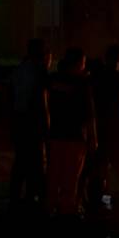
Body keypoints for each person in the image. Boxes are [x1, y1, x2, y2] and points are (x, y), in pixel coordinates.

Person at [45, 48, 97, 218]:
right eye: (82, 63)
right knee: (71, 175)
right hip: (75, 136)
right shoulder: (82, 83)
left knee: (54, 173)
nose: (84, 66)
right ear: (77, 64)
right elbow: (89, 114)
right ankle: (67, 210)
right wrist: (93, 138)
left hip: (55, 134)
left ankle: (50, 206)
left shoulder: (53, 80)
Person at [9, 39, 51, 209]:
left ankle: (15, 195)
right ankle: (33, 196)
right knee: (36, 161)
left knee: (20, 159)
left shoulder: (19, 70)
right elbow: (43, 100)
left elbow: (11, 95)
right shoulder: (40, 71)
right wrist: (47, 122)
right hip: (34, 120)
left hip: (19, 119)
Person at [88, 45, 119, 214]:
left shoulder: (96, 77)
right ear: (117, 61)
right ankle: (116, 194)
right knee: (117, 163)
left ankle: (97, 195)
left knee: (101, 162)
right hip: (116, 126)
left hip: (101, 126)